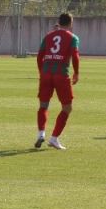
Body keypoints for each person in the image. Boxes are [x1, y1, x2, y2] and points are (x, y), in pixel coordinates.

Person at [35, 13, 80, 150]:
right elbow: (75, 56)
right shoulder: (73, 37)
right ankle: (54, 138)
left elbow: (39, 56)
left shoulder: (48, 36)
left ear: (58, 22)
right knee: (67, 107)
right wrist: (76, 72)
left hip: (46, 74)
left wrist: (41, 72)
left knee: (43, 105)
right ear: (70, 23)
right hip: (61, 74)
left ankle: (41, 134)